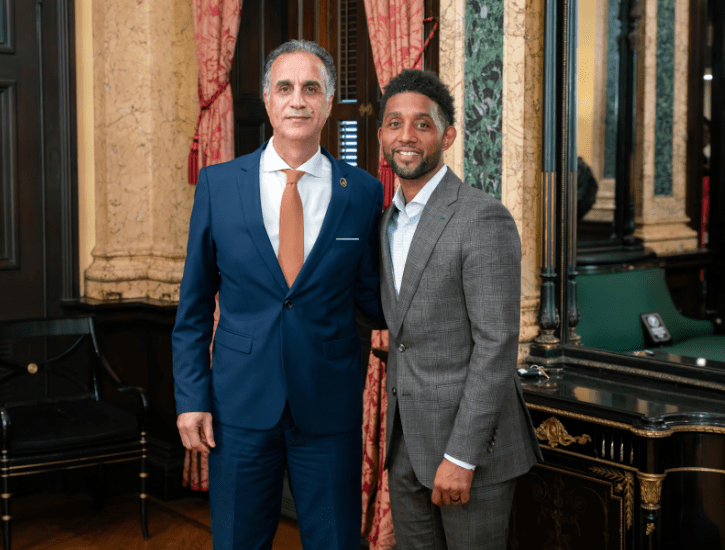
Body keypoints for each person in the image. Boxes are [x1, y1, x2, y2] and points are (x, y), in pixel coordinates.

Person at [172, 40, 384, 550]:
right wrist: (191, 399)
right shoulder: (218, 185)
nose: (298, 100)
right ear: (267, 100)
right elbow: (194, 308)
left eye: (311, 88)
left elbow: (376, 297)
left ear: (329, 103)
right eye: (284, 88)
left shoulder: (363, 192)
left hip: (328, 406)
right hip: (238, 406)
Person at [377, 69, 543, 550]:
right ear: (381, 135)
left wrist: (462, 456)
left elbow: (496, 345)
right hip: (404, 445)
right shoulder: (386, 220)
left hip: (470, 450)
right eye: (394, 123)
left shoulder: (481, 216)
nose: (406, 136)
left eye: (422, 124)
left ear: (446, 135)